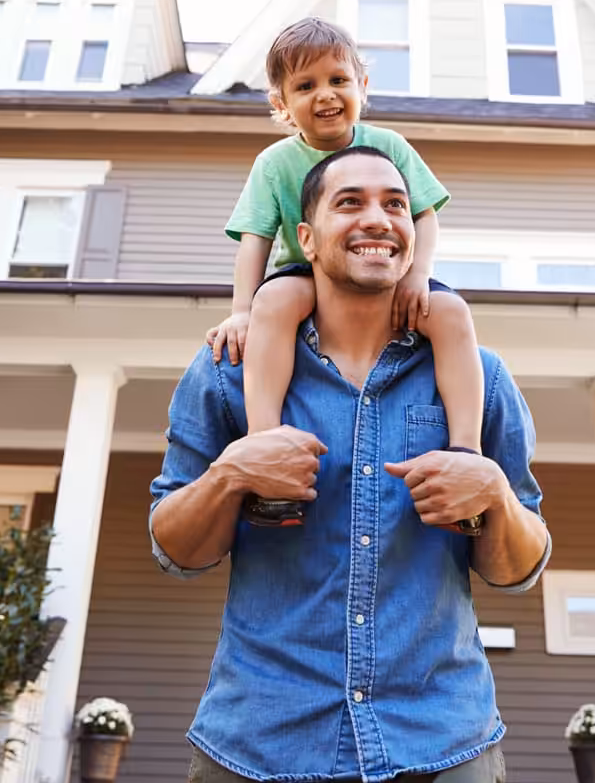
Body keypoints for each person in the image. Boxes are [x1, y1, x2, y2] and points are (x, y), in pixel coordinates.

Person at [151, 146, 552, 783]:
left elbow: (521, 568)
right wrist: (232, 474)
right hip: (258, 743)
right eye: (350, 203)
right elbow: (175, 549)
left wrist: (495, 496)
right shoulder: (230, 371)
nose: (378, 218)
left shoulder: (478, 376)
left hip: (441, 742)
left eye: (395, 204)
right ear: (305, 239)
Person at [206, 18, 486, 524]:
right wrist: (242, 312)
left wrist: (419, 274)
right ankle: (266, 446)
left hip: (386, 271)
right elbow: (255, 240)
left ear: (362, 87)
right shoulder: (274, 164)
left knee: (449, 312)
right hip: (305, 272)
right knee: (277, 303)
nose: (325, 95)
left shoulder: (391, 146)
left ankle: (466, 455)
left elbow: (424, 213)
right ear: (281, 104)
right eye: (305, 86)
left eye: (338, 80)